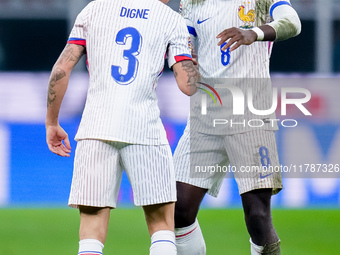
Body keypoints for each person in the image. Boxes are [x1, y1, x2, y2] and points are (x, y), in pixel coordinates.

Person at [45, 0, 199, 254]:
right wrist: (196, 64)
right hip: (145, 128)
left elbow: (61, 68)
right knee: (162, 224)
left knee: (91, 232)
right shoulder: (171, 19)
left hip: (96, 127)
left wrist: (52, 122)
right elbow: (188, 86)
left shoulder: (94, 9)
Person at [174, 0, 301, 254]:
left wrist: (252, 33)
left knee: (257, 214)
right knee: (178, 211)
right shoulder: (191, 2)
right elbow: (183, 42)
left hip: (251, 113)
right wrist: (187, 62)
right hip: (205, 114)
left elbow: (293, 23)